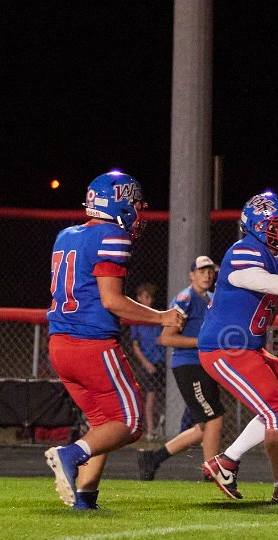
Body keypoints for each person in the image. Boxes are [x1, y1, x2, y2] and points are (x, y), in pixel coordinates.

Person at [43, 170, 186, 509]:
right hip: (91, 344)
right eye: (134, 203)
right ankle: (69, 454)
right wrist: (162, 317)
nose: (138, 210)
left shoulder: (66, 235)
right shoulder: (111, 235)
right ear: (118, 202)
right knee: (130, 423)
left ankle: (84, 497)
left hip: (60, 344)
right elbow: (112, 300)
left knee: (103, 424)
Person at [197, 191, 278, 503]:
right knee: (277, 410)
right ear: (256, 226)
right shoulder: (243, 251)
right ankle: (249, 472)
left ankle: (246, 471)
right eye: (276, 226)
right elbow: (260, 280)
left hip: (251, 347)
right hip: (224, 347)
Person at [136, 256, 225, 480]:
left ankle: (153, 458)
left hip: (205, 365)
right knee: (214, 418)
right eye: (201, 271)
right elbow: (166, 338)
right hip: (189, 365)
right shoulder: (185, 299)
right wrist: (201, 342)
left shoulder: (212, 298)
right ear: (191, 275)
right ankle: (212, 474)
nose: (207, 275)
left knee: (203, 427)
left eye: (210, 271)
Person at [129, 282, 166, 438]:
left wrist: (162, 340)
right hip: (149, 363)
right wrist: (146, 363)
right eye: (145, 297)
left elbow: (163, 336)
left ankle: (160, 426)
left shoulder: (157, 314)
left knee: (162, 396)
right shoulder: (136, 318)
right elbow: (135, 346)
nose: (149, 300)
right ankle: (150, 430)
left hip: (161, 360)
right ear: (139, 298)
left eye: (151, 297)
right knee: (150, 397)